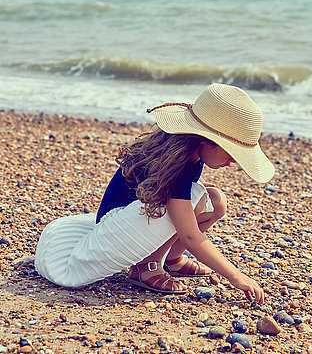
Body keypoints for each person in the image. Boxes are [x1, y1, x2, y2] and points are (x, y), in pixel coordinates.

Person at [35, 83, 275, 303]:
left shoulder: (189, 152)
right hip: (113, 230)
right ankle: (145, 268)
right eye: (232, 152)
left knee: (216, 201)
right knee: (196, 198)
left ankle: (172, 259)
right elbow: (190, 235)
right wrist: (235, 276)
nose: (234, 161)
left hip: (131, 220)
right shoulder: (178, 163)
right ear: (205, 140)